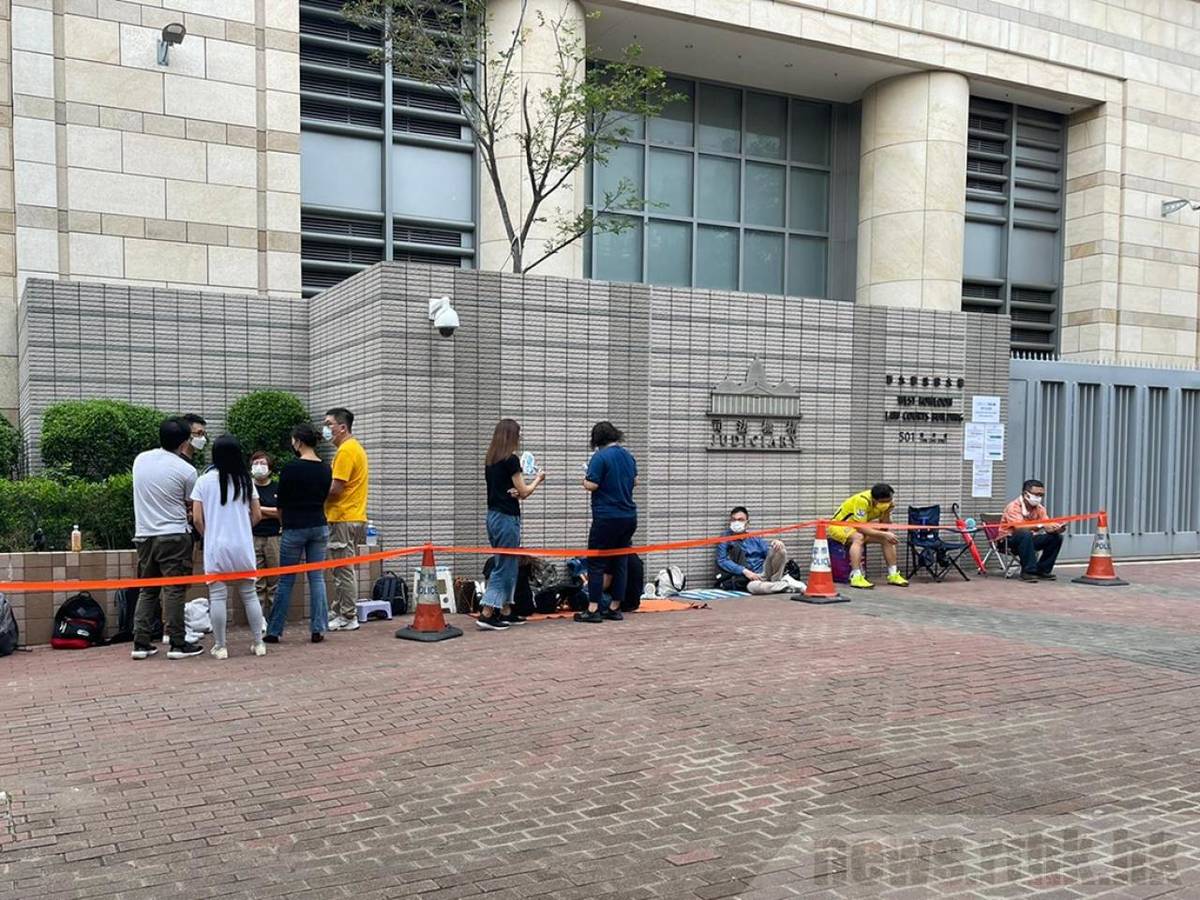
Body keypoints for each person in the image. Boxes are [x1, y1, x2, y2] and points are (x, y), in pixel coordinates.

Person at [130, 417, 203, 660]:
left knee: (147, 590)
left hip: (144, 535)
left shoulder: (140, 460)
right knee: (174, 590)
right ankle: (177, 643)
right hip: (174, 535)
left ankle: (140, 643)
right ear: (184, 443)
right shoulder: (187, 470)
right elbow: (190, 503)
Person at [191, 434, 267, 659]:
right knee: (250, 594)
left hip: (216, 546)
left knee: (217, 596)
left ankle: (221, 646)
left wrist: (208, 535)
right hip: (242, 545)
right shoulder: (246, 480)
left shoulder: (203, 481)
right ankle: (259, 643)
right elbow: (257, 514)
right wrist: (243, 529)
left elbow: (197, 518)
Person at [265, 423, 333, 643]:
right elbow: (324, 497)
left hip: (294, 526)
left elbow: (281, 504)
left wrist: (283, 523)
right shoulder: (325, 468)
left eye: (293, 440)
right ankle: (318, 628)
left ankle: (274, 630)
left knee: (286, 579)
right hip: (319, 525)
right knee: (317, 578)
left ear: (299, 442)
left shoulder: (291, 468)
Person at [478, 418, 546, 631]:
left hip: (493, 516)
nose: (520, 437)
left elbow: (507, 489)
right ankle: (487, 612)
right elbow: (524, 492)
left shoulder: (491, 460)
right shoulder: (512, 460)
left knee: (507, 563)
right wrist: (538, 479)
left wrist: (515, 491)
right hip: (507, 518)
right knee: (504, 565)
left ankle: (506, 610)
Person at [577, 421, 638, 624]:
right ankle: (614, 607)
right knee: (620, 561)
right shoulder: (628, 456)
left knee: (596, 561)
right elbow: (635, 481)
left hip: (606, 516)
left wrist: (583, 480)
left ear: (597, 440)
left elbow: (592, 484)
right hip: (628, 516)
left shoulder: (600, 457)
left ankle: (593, 608)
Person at [323, 408, 369, 632]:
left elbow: (336, 488)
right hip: (352, 516)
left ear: (342, 427)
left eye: (328, 424)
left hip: (343, 516)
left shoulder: (346, 451)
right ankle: (339, 609)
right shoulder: (354, 448)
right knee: (340, 568)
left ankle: (348, 615)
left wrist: (313, 492)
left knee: (342, 569)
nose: (325, 429)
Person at [828, 484, 910, 589]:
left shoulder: (886, 505)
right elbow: (860, 528)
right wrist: (884, 534)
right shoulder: (862, 500)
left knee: (888, 539)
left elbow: (884, 527)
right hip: (839, 525)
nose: (886, 503)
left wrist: (887, 512)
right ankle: (856, 576)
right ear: (874, 499)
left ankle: (893, 575)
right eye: (883, 502)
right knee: (858, 538)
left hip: (856, 526)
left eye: (889, 500)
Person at [715, 506, 806, 594]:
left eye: (740, 520)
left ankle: (778, 582)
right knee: (757, 588)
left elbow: (769, 554)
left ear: (747, 523)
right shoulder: (725, 537)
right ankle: (785, 584)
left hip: (764, 573)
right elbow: (722, 560)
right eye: (734, 520)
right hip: (749, 579)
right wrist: (745, 571)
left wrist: (776, 543)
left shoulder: (755, 538)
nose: (736, 522)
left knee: (780, 549)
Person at [999, 478, 1064, 582]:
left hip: (1029, 539)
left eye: (1041, 495)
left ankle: (1042, 570)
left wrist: (1055, 529)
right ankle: (1028, 571)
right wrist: (1041, 525)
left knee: (1056, 538)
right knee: (1024, 533)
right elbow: (1019, 527)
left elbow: (1046, 524)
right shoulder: (1013, 507)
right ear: (1026, 494)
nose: (1039, 498)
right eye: (1036, 494)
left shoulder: (1040, 509)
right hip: (1008, 540)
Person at [250, 451, 280, 628]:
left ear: (270, 468)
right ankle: (259, 619)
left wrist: (258, 509)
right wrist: (268, 511)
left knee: (275, 581)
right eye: (255, 463)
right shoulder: (247, 487)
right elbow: (245, 511)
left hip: (274, 537)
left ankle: (274, 619)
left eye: (263, 463)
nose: (259, 467)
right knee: (257, 582)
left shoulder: (277, 487)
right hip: (253, 536)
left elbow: (280, 512)